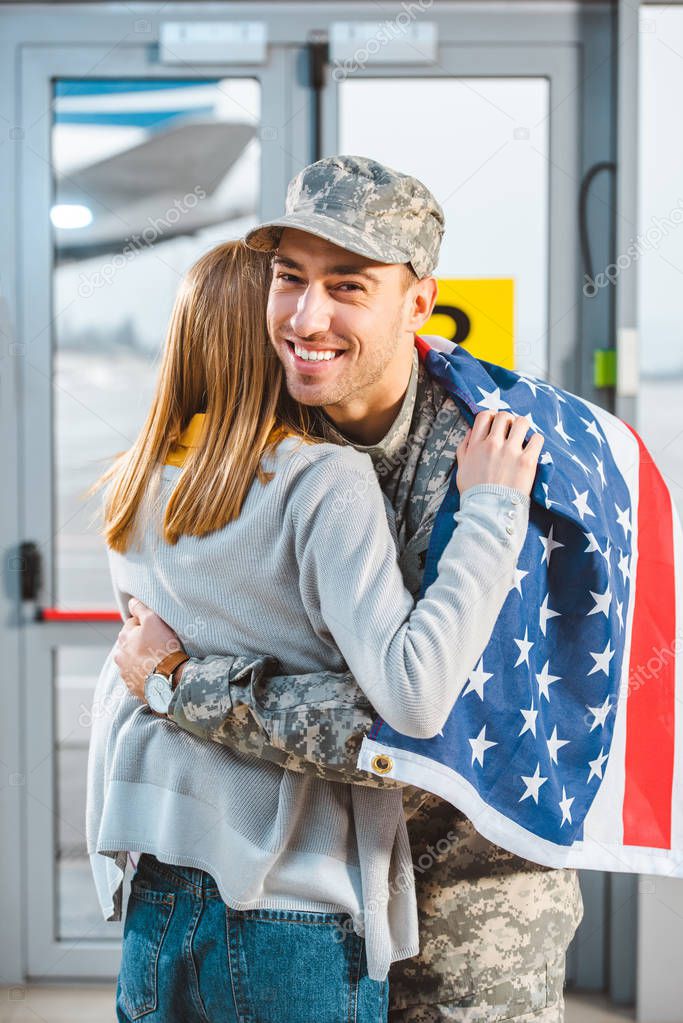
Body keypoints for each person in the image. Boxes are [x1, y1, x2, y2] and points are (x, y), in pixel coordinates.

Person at [116, 155, 584, 1023]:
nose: (306, 315)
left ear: (417, 303)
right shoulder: (269, 452)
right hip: (310, 900)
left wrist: (178, 682)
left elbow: (416, 723)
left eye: (348, 285)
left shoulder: (496, 465)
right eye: (289, 277)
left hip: (467, 915)